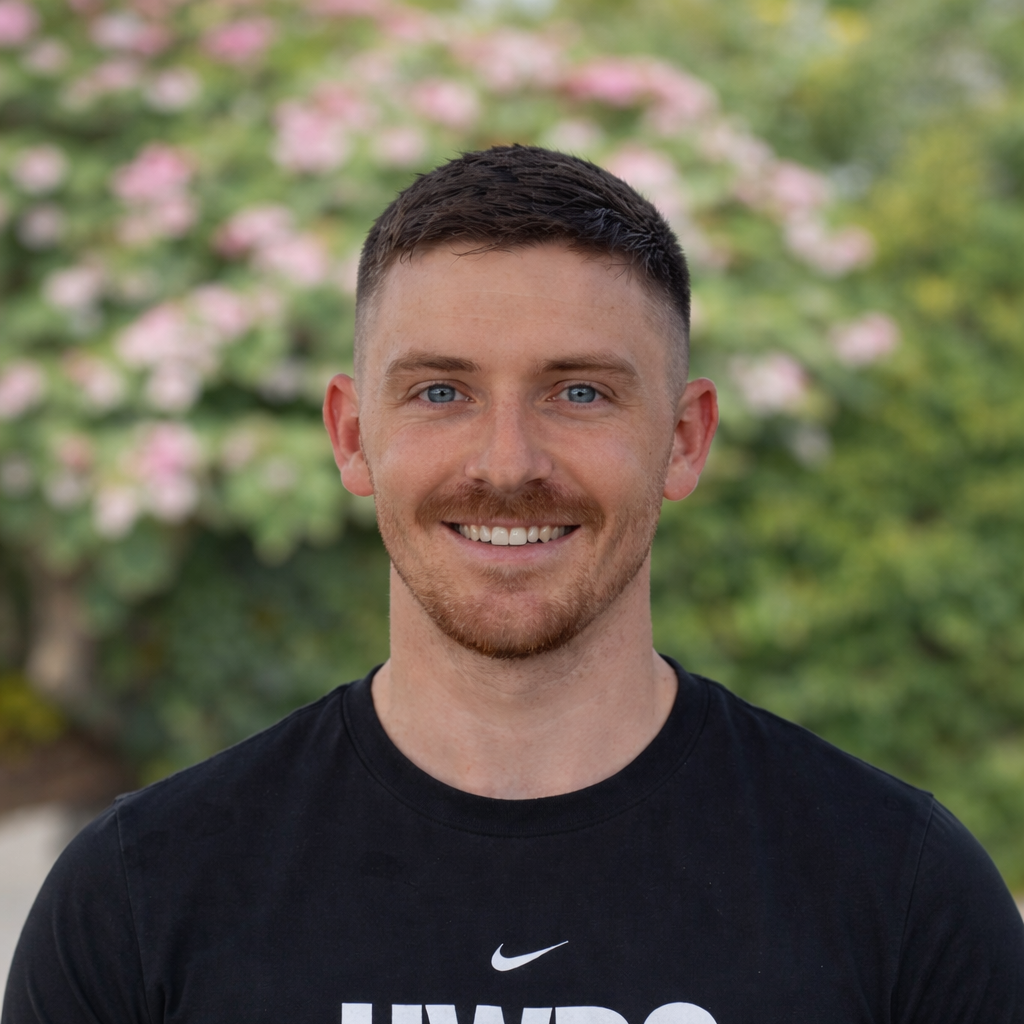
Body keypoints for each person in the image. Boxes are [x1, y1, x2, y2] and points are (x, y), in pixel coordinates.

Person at [4, 145, 1022, 1024]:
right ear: (353, 437)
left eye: (578, 391)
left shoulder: (896, 886)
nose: (505, 460)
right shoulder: (142, 891)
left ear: (682, 437)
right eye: (441, 391)